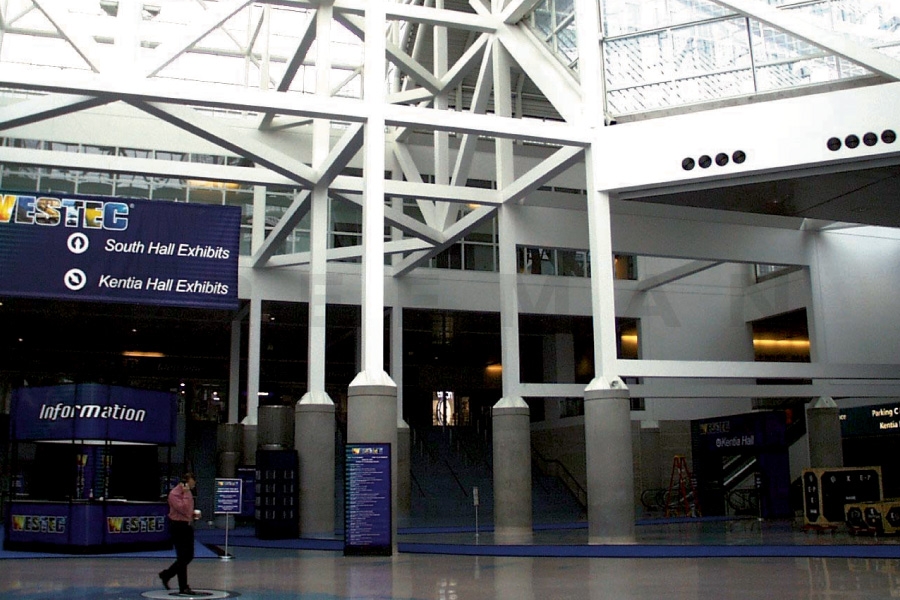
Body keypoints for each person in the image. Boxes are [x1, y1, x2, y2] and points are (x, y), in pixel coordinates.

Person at [159, 472, 200, 595]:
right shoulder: (174, 494)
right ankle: (183, 586)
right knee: (182, 557)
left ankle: (166, 574)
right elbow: (183, 509)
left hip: (187, 525)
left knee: (189, 556)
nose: (194, 483)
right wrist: (186, 494)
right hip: (178, 527)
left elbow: (188, 511)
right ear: (186, 482)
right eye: (193, 480)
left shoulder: (188, 493)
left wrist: (193, 515)